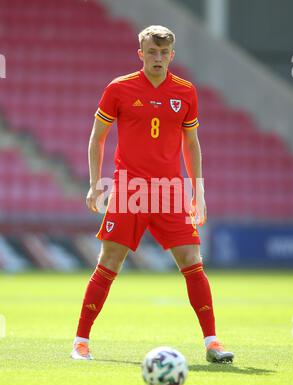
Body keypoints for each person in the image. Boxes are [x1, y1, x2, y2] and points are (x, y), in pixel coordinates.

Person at [71, 25, 234, 363]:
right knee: (109, 263)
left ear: (171, 55)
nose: (158, 58)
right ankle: (81, 342)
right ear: (141, 54)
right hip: (129, 190)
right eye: (152, 52)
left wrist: (198, 191)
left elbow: (192, 143)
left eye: (164, 53)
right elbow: (96, 137)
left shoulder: (186, 92)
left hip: (171, 192)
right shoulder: (119, 88)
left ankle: (213, 343)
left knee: (192, 262)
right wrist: (93, 181)